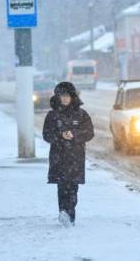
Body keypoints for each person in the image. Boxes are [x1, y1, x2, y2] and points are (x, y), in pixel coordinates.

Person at [43, 82, 94, 226]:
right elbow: (47, 135)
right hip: (58, 157)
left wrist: (75, 135)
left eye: (67, 96)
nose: (64, 99)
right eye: (61, 96)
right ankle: (63, 212)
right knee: (61, 187)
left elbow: (89, 133)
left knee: (73, 188)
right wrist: (60, 135)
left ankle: (70, 214)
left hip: (75, 158)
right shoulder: (52, 115)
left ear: (72, 97)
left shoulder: (82, 114)